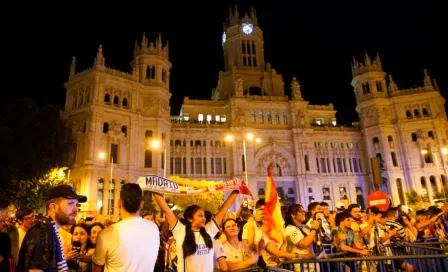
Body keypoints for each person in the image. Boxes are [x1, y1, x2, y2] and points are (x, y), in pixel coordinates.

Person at [153, 190, 240, 272]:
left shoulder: (209, 230)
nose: (204, 218)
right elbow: (166, 209)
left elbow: (224, 208)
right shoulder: (180, 231)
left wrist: (236, 191)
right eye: (200, 216)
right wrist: (153, 189)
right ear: (190, 218)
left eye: (204, 216)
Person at [17, 185, 87, 272]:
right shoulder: (42, 234)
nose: (76, 209)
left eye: (76, 204)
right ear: (53, 207)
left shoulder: (49, 230)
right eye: (70, 203)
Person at [92, 183, 160, 272]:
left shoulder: (107, 234)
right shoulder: (153, 228)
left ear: (119, 203)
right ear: (141, 204)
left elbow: (97, 268)